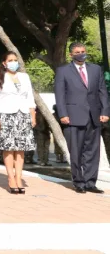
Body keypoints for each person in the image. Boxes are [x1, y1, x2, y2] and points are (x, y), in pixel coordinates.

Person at [54, 42, 110, 194]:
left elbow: (102, 92)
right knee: (76, 152)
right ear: (71, 54)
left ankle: (91, 183)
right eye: (78, 52)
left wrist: (105, 111)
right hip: (73, 117)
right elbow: (60, 95)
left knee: (93, 152)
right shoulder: (63, 71)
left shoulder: (96, 69)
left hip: (94, 116)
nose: (81, 54)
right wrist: (63, 114)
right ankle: (79, 182)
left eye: (83, 51)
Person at [0, 52, 36, 194]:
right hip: (6, 115)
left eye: (15, 60)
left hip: (23, 115)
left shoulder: (24, 77)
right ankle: (10, 178)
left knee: (20, 149)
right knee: (8, 148)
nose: (13, 63)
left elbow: (30, 97)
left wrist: (32, 116)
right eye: (10, 60)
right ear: (4, 63)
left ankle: (19, 177)